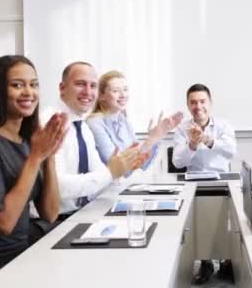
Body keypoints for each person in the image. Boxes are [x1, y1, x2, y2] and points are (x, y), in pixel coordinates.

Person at [0, 55, 67, 288]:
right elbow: (4, 222)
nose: (29, 92)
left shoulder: (26, 139)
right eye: (17, 85)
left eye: (34, 84)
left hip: (23, 256)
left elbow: (50, 213)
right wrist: (36, 156)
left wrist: (50, 156)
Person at [39, 62, 143, 222]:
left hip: (78, 214)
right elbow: (58, 187)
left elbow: (99, 174)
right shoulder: (49, 122)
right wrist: (110, 173)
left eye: (93, 86)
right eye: (80, 84)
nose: (88, 92)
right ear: (62, 88)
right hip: (51, 223)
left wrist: (120, 169)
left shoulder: (82, 127)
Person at [172, 83, 236, 284]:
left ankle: (227, 262)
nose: (198, 106)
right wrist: (191, 144)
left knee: (225, 221)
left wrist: (208, 140)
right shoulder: (182, 129)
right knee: (200, 221)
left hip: (222, 181)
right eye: (193, 102)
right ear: (188, 105)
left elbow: (230, 151)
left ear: (210, 103)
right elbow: (178, 162)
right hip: (194, 183)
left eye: (202, 101)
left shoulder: (224, 125)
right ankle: (205, 262)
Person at [86, 70, 183, 176]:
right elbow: (119, 169)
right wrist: (151, 139)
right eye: (116, 91)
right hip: (105, 189)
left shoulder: (124, 122)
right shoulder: (94, 123)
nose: (123, 95)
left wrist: (156, 137)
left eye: (125, 90)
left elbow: (142, 165)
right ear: (101, 96)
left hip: (124, 187)